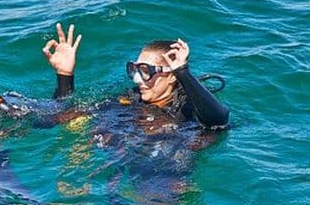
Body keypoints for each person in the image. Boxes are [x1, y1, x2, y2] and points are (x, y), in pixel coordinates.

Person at [43, 23, 229, 127]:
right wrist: (64, 75)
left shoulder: (185, 107)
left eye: (146, 71)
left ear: (171, 76)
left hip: (163, 166)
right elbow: (60, 115)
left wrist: (182, 72)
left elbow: (219, 120)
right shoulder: (131, 97)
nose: (137, 79)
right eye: (135, 70)